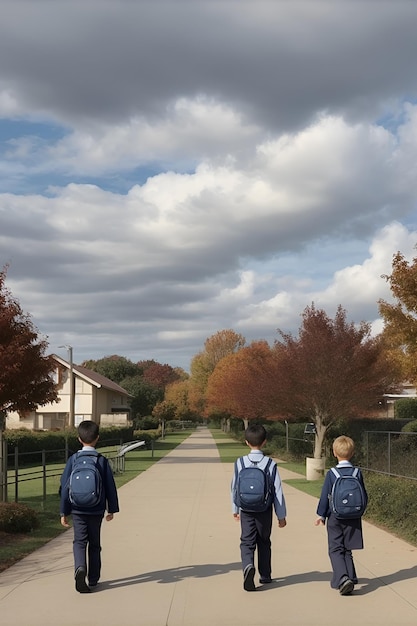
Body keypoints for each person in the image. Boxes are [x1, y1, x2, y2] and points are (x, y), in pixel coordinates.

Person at [60, 420, 119, 593]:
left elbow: (65, 486)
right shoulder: (101, 460)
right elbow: (110, 486)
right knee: (95, 544)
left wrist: (64, 511)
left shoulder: (73, 459)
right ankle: (93, 579)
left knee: (79, 541)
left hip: (77, 509)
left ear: (79, 439)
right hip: (97, 509)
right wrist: (112, 509)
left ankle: (80, 567)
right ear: (97, 438)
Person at [231, 423, 287, 591]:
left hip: (246, 509)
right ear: (264, 442)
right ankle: (265, 575)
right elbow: (277, 490)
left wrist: (235, 509)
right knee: (264, 541)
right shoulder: (270, 464)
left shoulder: (240, 462)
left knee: (247, 541)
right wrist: (281, 515)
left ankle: (248, 565)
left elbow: (234, 486)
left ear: (246, 442)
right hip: (264, 509)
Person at [315, 435, 368, 595]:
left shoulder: (332, 473)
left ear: (334, 453)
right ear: (352, 453)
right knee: (348, 547)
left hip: (335, 516)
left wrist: (321, 515)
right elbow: (364, 494)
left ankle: (343, 578)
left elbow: (325, 496)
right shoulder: (357, 472)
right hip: (353, 516)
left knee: (335, 548)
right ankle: (351, 576)